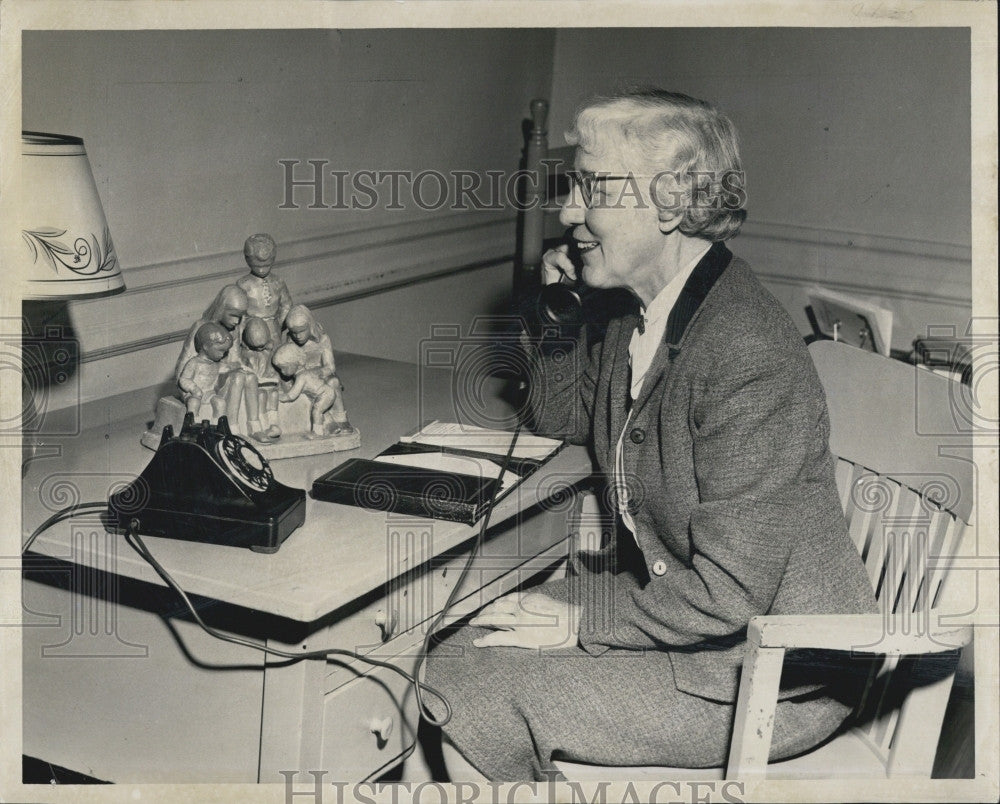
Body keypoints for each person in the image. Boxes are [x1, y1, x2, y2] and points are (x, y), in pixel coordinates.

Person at [423, 89, 876, 781]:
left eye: (591, 187)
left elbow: (729, 594)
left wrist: (579, 623)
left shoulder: (746, 349)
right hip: (691, 619)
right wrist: (558, 323)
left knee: (469, 690)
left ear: (668, 204)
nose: (567, 211)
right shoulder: (635, 313)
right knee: (451, 643)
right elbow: (562, 419)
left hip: (772, 669)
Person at [175, 284, 268, 442]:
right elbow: (183, 369)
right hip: (204, 385)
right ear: (221, 308)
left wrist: (247, 370)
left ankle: (255, 426)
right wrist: (191, 393)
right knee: (238, 378)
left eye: (240, 316)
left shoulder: (234, 329)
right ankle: (232, 427)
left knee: (251, 378)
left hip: (221, 374)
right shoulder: (201, 327)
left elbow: (235, 361)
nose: (237, 321)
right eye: (232, 315)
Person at [272, 342, 353, 436]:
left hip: (325, 394)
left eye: (284, 368)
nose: (282, 372)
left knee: (316, 412)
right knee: (318, 408)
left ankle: (317, 433)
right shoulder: (308, 372)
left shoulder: (301, 378)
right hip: (327, 391)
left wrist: (280, 397)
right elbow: (321, 374)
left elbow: (292, 396)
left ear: (296, 363)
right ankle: (330, 426)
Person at [177, 322, 235, 418]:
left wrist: (234, 368)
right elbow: (183, 379)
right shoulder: (194, 363)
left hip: (209, 393)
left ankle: (218, 425)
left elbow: (226, 369)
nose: (222, 355)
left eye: (224, 352)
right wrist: (194, 389)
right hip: (193, 394)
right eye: (220, 351)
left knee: (220, 403)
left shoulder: (217, 363)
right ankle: (193, 423)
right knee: (194, 403)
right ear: (206, 346)